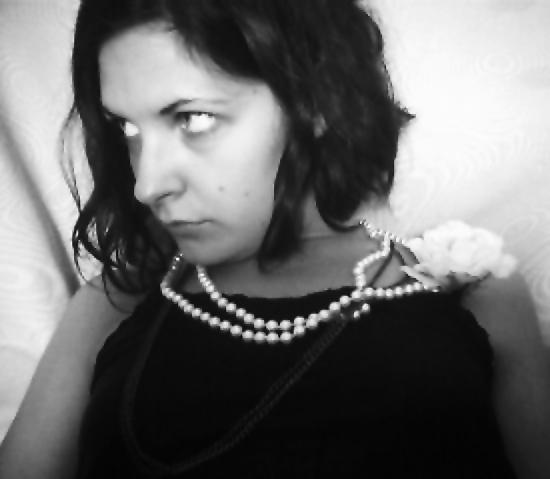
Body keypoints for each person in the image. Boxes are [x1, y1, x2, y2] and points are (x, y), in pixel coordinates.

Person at [1, 0, 549, 477]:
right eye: (127, 128)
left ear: (316, 100)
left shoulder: (470, 284)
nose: (147, 184)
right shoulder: (117, 301)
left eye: (193, 119)